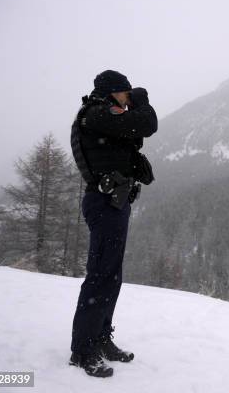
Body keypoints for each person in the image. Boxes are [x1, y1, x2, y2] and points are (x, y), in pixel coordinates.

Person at [68, 70, 157, 377]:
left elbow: (137, 133)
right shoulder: (94, 114)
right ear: (112, 92)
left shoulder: (107, 116)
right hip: (104, 203)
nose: (128, 97)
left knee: (111, 277)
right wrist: (142, 99)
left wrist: (130, 103)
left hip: (115, 203)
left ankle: (101, 338)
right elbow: (147, 123)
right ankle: (82, 350)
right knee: (99, 277)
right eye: (125, 92)